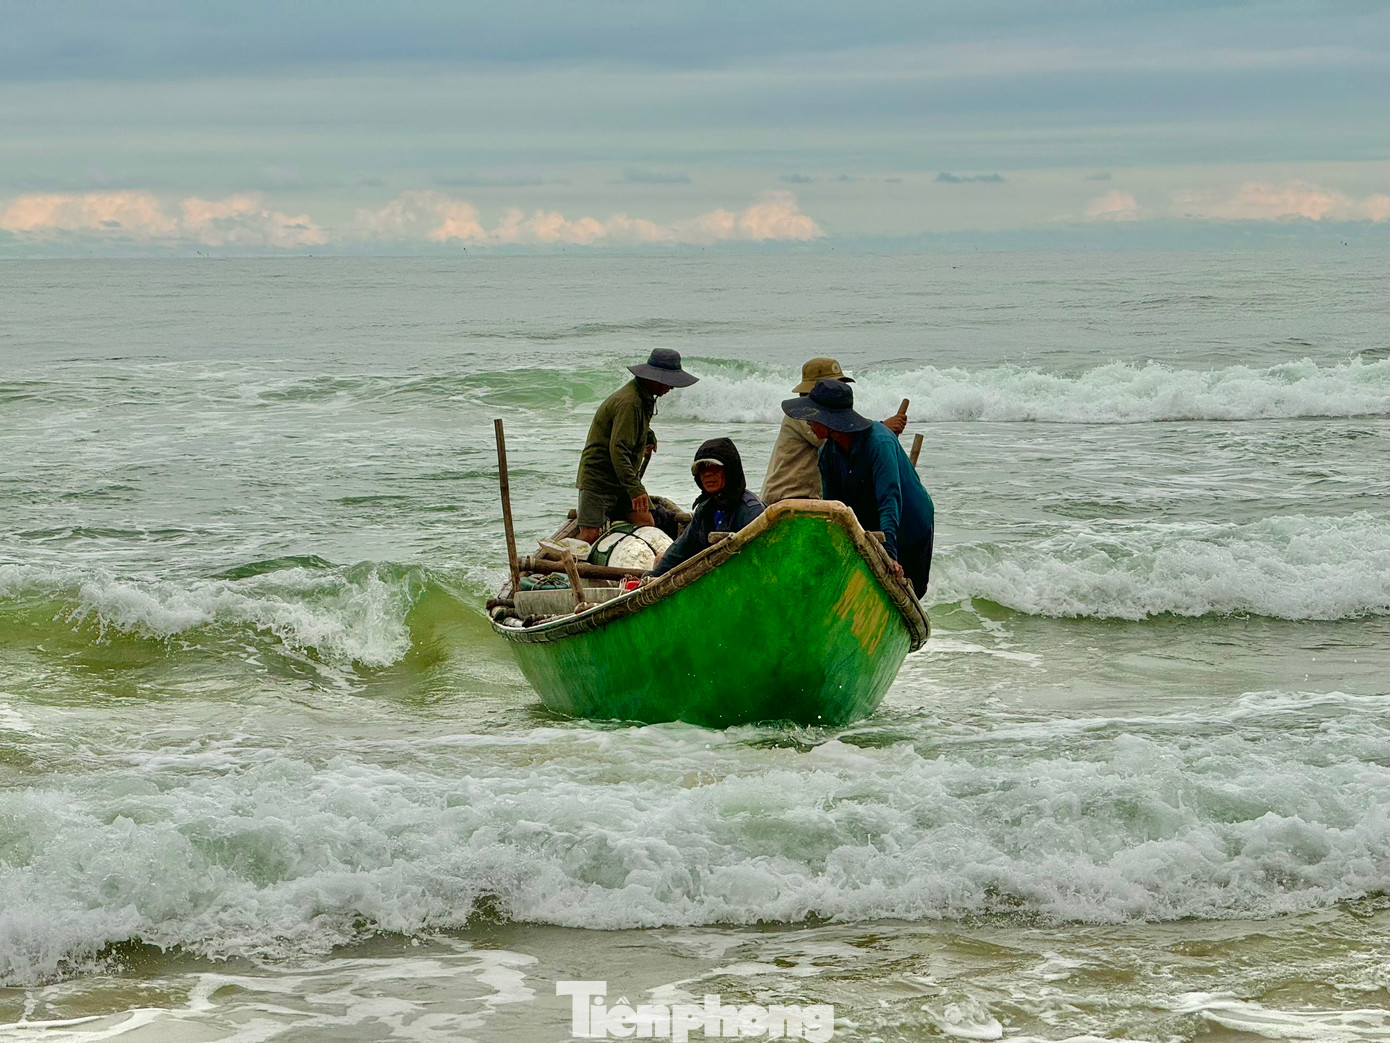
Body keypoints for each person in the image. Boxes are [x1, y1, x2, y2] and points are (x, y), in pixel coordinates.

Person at [782, 379, 935, 597]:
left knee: (910, 593)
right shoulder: (827, 454)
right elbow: (835, 510)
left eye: (813, 416)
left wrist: (889, 554)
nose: (807, 422)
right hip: (872, 520)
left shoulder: (880, 443)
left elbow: (890, 500)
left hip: (910, 525)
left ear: (829, 419)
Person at [576, 349, 698, 544]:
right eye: (669, 382)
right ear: (655, 379)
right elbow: (618, 450)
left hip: (623, 479)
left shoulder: (644, 398)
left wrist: (648, 435)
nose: (671, 388)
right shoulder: (630, 403)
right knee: (590, 536)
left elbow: (634, 427)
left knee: (646, 523)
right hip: (599, 479)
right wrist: (635, 489)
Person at [761, 357, 908, 503]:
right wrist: (882, 428)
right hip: (786, 498)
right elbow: (842, 437)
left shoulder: (820, 413)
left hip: (806, 498)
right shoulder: (803, 415)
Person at [650, 438, 765, 577]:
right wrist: (650, 579)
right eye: (702, 469)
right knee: (660, 559)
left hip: (738, 578)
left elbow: (759, 562)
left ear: (729, 470)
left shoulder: (751, 511)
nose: (708, 474)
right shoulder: (705, 508)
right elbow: (681, 549)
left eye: (714, 467)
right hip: (711, 575)